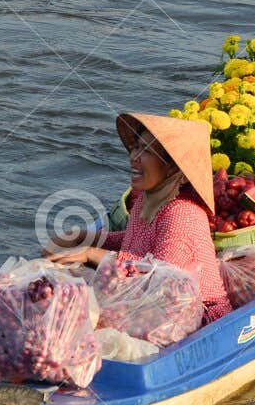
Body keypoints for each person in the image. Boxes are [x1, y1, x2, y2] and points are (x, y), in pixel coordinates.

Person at [46, 112, 232, 323]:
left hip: (196, 316)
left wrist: (93, 254)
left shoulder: (183, 213)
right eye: (136, 147)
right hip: (151, 304)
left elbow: (162, 276)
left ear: (172, 167)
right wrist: (84, 236)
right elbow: (135, 241)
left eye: (146, 151)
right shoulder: (146, 200)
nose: (133, 157)